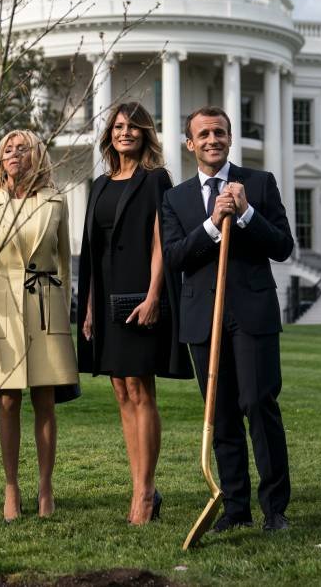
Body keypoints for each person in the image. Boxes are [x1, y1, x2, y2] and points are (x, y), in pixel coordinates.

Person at [161, 105, 295, 533]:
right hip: (203, 317)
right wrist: (214, 224)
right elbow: (174, 256)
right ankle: (236, 508)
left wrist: (247, 214)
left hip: (252, 313)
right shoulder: (176, 198)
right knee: (220, 416)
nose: (212, 140)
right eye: (203, 135)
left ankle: (275, 509)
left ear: (230, 137)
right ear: (190, 144)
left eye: (219, 132)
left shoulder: (259, 183)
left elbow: (282, 247)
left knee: (259, 405)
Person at [76, 102, 193, 525]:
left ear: (146, 133)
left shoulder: (155, 179)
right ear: (110, 134)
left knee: (141, 391)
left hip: (139, 295)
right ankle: (141, 486)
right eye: (118, 126)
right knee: (121, 392)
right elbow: (92, 250)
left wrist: (154, 295)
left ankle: (145, 494)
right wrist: (87, 306)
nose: (125, 132)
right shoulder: (99, 184)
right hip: (104, 298)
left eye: (133, 127)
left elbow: (163, 240)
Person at [0, 130, 79, 522]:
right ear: (0, 160)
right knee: (8, 399)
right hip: (1, 310)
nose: (14, 154)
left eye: (23, 148)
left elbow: (64, 263)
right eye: (8, 149)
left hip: (46, 306)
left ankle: (46, 486)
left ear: (37, 156)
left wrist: (64, 315)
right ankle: (11, 487)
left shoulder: (56, 201)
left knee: (45, 400)